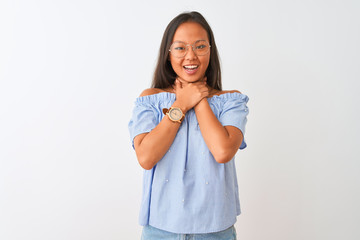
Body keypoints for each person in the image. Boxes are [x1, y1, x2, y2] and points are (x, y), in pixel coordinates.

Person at [128, 11, 249, 240]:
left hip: (215, 231)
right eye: (180, 47)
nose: (190, 56)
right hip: (160, 231)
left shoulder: (231, 101)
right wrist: (182, 104)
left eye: (200, 46)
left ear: (210, 51)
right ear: (168, 53)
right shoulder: (150, 100)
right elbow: (146, 157)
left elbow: (222, 151)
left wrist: (199, 97)